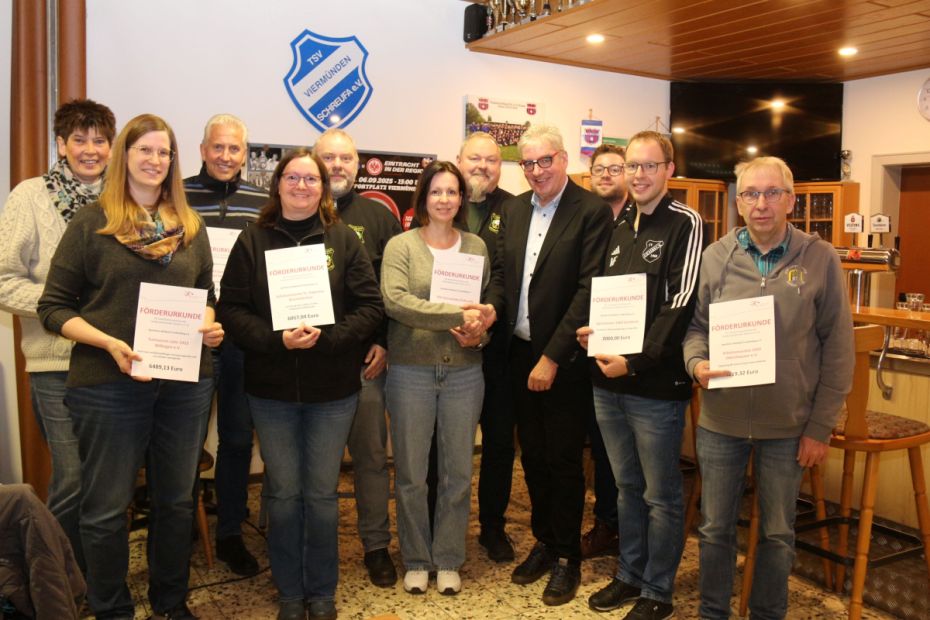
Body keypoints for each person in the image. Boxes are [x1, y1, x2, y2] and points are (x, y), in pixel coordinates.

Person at [37, 113, 223, 620]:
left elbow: (207, 295)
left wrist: (209, 325)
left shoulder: (189, 226)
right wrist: (110, 343)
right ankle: (112, 609)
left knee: (177, 502)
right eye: (145, 150)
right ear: (125, 156)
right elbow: (53, 308)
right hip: (107, 385)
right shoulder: (92, 222)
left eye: (163, 153)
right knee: (103, 510)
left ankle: (170, 602)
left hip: (183, 383)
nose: (155, 160)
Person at [682, 156, 854, 620]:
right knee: (715, 528)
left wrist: (820, 427)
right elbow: (695, 328)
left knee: (777, 534)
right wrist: (696, 363)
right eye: (751, 194)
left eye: (772, 193)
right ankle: (712, 612)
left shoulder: (820, 258)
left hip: (790, 427)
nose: (762, 203)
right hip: (721, 420)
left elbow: (838, 349)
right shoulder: (715, 257)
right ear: (738, 203)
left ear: (791, 201)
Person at [216, 148, 383, 620]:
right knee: (285, 494)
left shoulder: (344, 240)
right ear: (278, 184)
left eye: (312, 179)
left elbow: (370, 307)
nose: (303, 186)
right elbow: (230, 309)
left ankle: (322, 591)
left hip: (332, 392)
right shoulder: (253, 240)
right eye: (294, 177)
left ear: (323, 188)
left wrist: (328, 340)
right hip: (270, 393)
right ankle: (290, 592)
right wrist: (276, 340)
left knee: (322, 495)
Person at [577, 130, 703, 620]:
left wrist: (638, 359)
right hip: (607, 380)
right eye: (633, 166)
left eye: (650, 166)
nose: (640, 175)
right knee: (625, 486)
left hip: (655, 385)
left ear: (669, 170)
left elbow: (680, 302)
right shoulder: (619, 222)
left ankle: (657, 590)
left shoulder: (685, 222)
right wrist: (595, 334)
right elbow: (606, 294)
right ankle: (628, 575)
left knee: (661, 493)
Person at [485, 124, 613, 606]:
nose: (537, 171)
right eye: (529, 164)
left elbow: (589, 290)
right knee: (532, 456)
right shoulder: (513, 210)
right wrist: (493, 309)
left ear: (563, 159)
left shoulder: (591, 212)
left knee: (562, 459)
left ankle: (567, 558)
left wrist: (552, 357)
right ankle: (544, 539)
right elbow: (502, 275)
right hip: (516, 352)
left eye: (545, 161)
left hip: (563, 359)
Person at [0, 98, 116, 571]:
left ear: (112, 146)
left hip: (114, 360)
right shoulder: (29, 196)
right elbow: (4, 280)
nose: (90, 150)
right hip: (56, 363)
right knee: (72, 476)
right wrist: (64, 310)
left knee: (108, 479)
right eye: (79, 140)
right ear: (61, 144)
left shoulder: (123, 199)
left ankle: (95, 577)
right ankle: (55, 575)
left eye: (100, 140)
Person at [380, 160, 494, 596]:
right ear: (423, 199)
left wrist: (477, 331)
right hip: (410, 371)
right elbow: (397, 303)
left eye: (452, 192)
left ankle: (447, 558)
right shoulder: (401, 247)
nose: (444, 199)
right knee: (411, 472)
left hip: (465, 372)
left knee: (458, 473)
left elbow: (480, 310)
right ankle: (415, 558)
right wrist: (456, 314)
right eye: (436, 192)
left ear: (461, 199)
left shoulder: (477, 248)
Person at [311, 128, 402, 588]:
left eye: (345, 157)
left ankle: (375, 546)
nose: (337, 166)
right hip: (311, 363)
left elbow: (393, 288)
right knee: (318, 465)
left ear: (357, 161)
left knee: (370, 458)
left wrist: (384, 340)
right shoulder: (298, 212)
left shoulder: (378, 214)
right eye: (327, 158)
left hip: (366, 362)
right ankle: (317, 549)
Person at [183, 113, 267, 576]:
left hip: (239, 341)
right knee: (182, 441)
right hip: (186, 337)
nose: (226, 156)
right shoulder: (176, 194)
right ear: (203, 149)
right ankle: (176, 534)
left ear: (245, 154)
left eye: (235, 149)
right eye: (218, 147)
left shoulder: (262, 201)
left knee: (237, 439)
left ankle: (231, 533)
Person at [453, 132, 517, 563]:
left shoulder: (516, 208)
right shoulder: (441, 202)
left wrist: (488, 314)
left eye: (491, 160)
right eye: (474, 158)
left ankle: (492, 527)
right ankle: (444, 523)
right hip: (447, 345)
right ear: (458, 160)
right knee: (446, 443)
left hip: (498, 348)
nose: (482, 166)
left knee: (497, 443)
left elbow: (512, 274)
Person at [580, 142, 629, 560]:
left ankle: (614, 527)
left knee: (613, 450)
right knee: (593, 447)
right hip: (578, 349)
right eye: (600, 168)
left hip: (623, 357)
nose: (607, 175)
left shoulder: (639, 223)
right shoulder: (581, 218)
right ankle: (602, 522)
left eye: (617, 168)